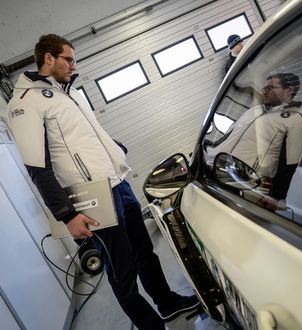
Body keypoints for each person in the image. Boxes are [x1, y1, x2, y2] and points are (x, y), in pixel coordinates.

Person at [6, 34, 199, 330]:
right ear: (48, 58)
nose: (74, 64)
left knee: (144, 252)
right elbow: (38, 168)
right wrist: (67, 215)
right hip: (93, 199)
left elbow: (84, 136)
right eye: (68, 59)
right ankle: (151, 326)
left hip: (118, 184)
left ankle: (168, 304)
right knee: (122, 272)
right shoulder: (26, 102)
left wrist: (114, 148)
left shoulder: (66, 92)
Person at [206, 72, 302, 200]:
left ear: (289, 90)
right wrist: (208, 152)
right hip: (215, 171)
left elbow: (289, 167)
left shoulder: (297, 120)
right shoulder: (253, 111)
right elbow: (227, 136)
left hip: (243, 185)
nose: (264, 92)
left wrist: (274, 200)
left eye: (270, 88)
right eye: (264, 88)